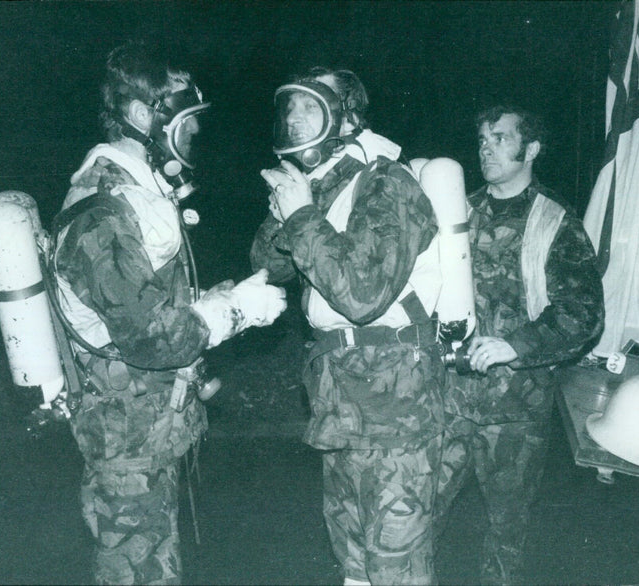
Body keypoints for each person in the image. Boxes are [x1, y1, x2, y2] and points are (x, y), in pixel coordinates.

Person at [48, 40, 286, 585]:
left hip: (147, 436)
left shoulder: (135, 195)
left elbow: (148, 302)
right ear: (139, 116)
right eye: (184, 119)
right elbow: (154, 339)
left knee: (158, 567)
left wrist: (218, 297)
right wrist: (236, 312)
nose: (195, 131)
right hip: (127, 447)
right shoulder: (100, 212)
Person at [250, 67, 446, 585]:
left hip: (394, 405)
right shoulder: (324, 188)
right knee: (354, 561)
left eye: (311, 106)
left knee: (394, 563)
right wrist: (288, 211)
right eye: (290, 108)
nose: (295, 119)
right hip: (340, 400)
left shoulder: (386, 182)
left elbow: (363, 294)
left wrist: (301, 218)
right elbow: (268, 267)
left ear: (348, 116)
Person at [433, 104, 605, 585]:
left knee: (505, 532)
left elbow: (582, 314)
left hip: (515, 410)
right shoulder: (456, 211)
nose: (486, 149)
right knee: (419, 517)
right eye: (483, 140)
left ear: (531, 149)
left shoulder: (556, 222)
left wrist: (516, 345)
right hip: (449, 400)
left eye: (501, 139)